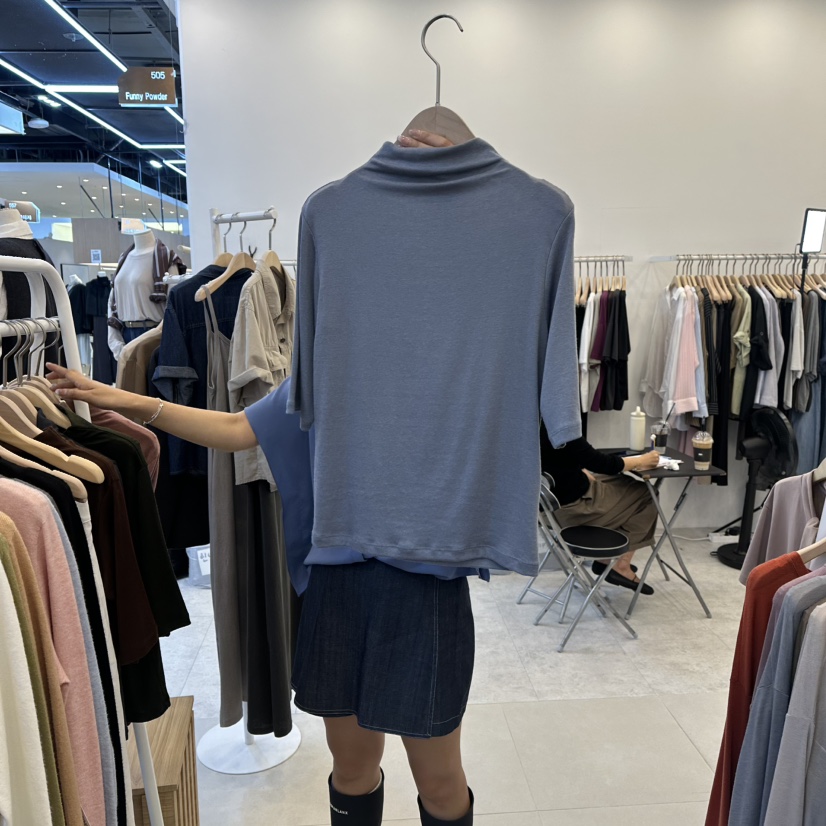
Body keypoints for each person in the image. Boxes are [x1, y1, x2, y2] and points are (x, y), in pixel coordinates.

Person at [47, 127, 488, 826]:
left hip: (425, 593)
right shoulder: (329, 368)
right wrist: (120, 398)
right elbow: (238, 429)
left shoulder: (457, 364)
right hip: (337, 588)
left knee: (439, 782)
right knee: (352, 770)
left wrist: (451, 183)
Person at [540, 423, 660, 594]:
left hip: (546, 508)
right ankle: (621, 564)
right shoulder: (562, 425)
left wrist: (579, 469)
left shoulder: (528, 424)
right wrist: (641, 460)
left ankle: (605, 560)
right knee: (647, 494)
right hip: (573, 509)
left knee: (621, 482)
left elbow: (556, 458)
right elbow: (602, 463)